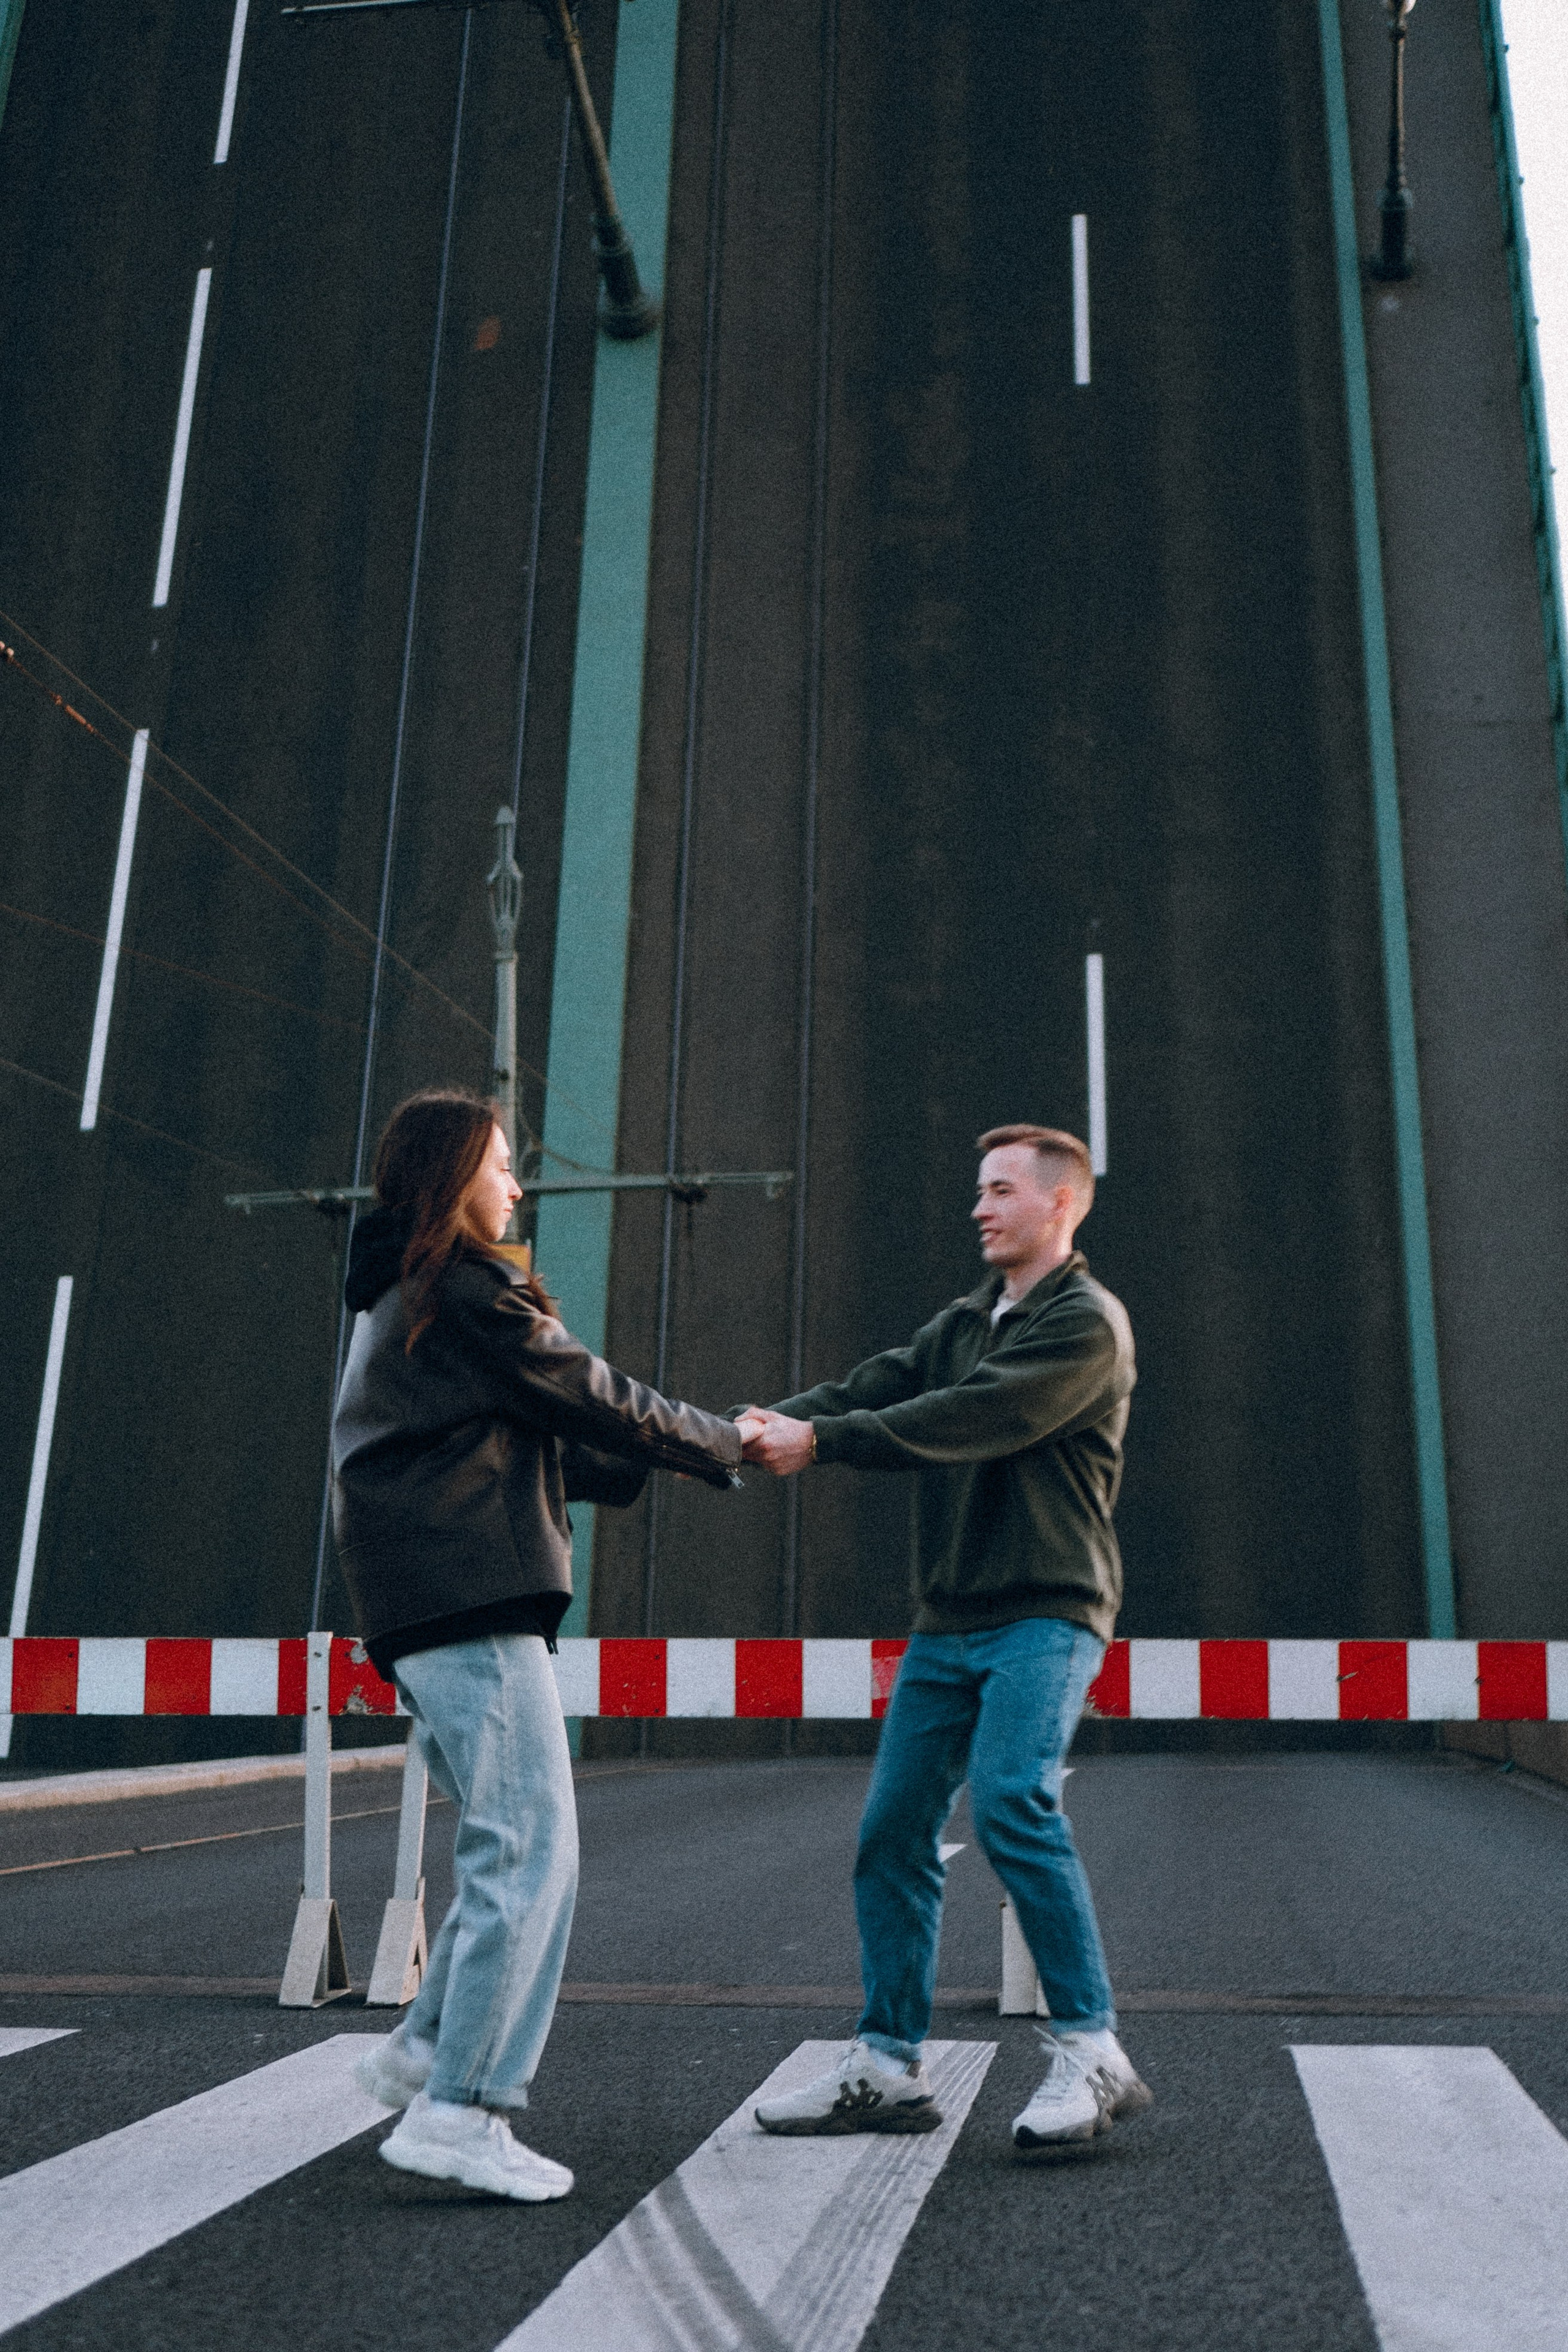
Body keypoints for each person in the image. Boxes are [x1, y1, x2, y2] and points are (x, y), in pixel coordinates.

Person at [331, 1087, 756, 2200]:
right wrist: (730, 1442)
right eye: (504, 1164)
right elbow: (589, 1392)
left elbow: (535, 1431)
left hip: (426, 1597)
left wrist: (672, 1459)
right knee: (531, 1852)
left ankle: (428, 2046)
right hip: (469, 1595)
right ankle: (462, 2109)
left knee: (500, 1846)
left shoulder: (407, 1296)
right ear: (454, 1172)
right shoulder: (466, 1287)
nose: (518, 1184)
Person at [740, 1123, 1150, 2155]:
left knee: (1012, 1801)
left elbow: (972, 1416)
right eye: (979, 1189)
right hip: (951, 1618)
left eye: (1002, 1190)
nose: (979, 1206)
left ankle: (1092, 2052)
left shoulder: (1086, 1327)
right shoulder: (968, 1316)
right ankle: (886, 2066)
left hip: (1047, 1610)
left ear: (1062, 1204)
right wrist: (737, 1431)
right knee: (892, 1832)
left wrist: (819, 1444)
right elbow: (871, 1384)